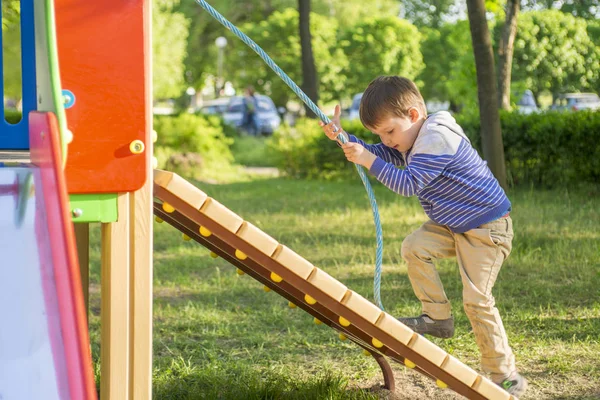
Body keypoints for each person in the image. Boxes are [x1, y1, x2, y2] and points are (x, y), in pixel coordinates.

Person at [320, 76, 527, 398]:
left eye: (389, 131)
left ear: (414, 115)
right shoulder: (409, 138)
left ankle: (504, 374)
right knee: (415, 247)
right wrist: (344, 138)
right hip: (454, 225)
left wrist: (367, 159)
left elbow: (407, 184)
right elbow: (380, 153)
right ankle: (438, 318)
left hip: (486, 228)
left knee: (477, 300)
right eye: (380, 134)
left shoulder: (436, 139)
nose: (386, 141)